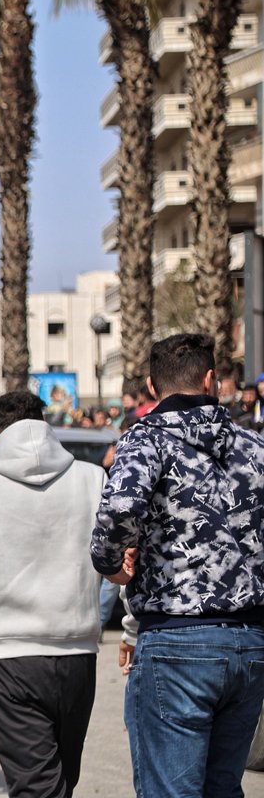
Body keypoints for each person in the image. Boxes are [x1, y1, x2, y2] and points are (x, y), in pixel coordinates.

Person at [91, 333, 264, 796]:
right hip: (248, 644)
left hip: (176, 639)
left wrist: (111, 565)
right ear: (212, 381)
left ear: (151, 387)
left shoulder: (144, 441)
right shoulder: (254, 447)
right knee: (223, 787)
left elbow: (119, 508)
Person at [0, 391, 105, 797]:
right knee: (62, 778)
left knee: (36, 784)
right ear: (45, 425)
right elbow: (113, 555)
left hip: (10, 651)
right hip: (77, 649)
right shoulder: (91, 478)